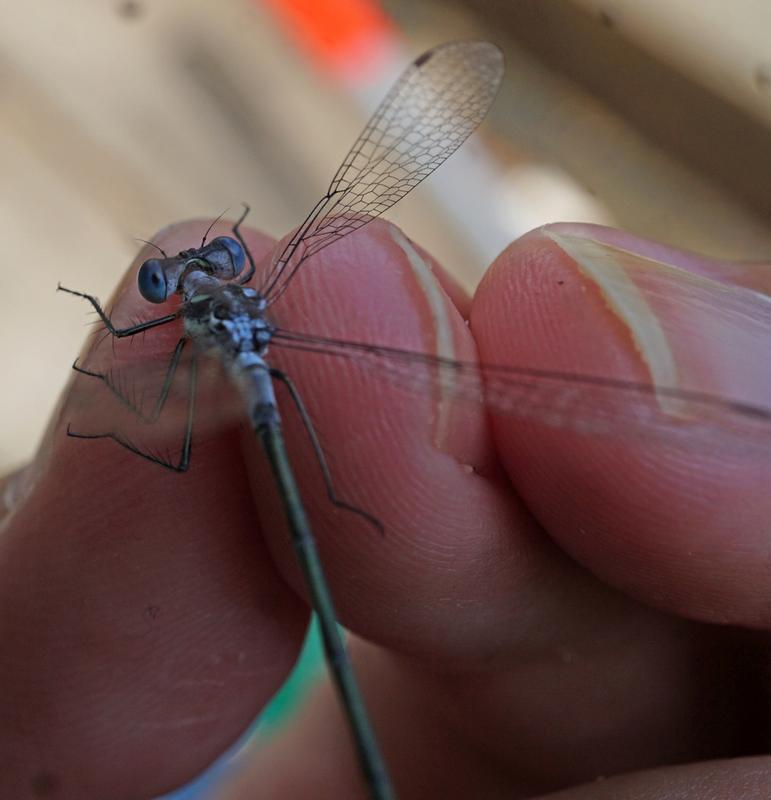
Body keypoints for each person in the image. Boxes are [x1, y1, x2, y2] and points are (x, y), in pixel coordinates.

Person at [1, 219, 769, 799]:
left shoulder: (192, 332)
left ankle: (335, 496)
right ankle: (334, 497)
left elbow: (138, 384)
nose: (198, 267)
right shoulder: (238, 323)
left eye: (217, 260)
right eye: (178, 277)